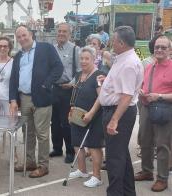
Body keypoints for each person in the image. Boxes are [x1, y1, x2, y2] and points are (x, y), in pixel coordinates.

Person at [10, 25, 63, 178]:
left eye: (24, 35)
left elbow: (58, 68)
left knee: (42, 134)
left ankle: (43, 165)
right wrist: (13, 99)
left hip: (42, 97)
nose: (22, 39)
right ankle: (30, 161)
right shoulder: (18, 55)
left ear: (31, 34)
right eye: (19, 36)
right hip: (24, 98)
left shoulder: (46, 48)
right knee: (27, 133)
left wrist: (47, 83)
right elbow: (14, 78)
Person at [98, 26, 143, 196]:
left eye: (113, 40)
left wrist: (114, 119)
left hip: (119, 113)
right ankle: (128, 192)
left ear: (121, 43)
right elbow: (122, 86)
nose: (111, 42)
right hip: (117, 110)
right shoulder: (122, 58)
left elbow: (126, 96)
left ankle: (115, 193)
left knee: (114, 160)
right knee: (121, 156)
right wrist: (108, 80)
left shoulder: (129, 63)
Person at [134, 36, 172, 192]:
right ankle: (147, 171)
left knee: (162, 145)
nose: (159, 50)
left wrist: (159, 96)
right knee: (145, 141)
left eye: (163, 47)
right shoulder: (150, 66)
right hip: (146, 107)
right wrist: (142, 91)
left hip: (164, 109)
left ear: (170, 50)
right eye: (157, 47)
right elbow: (143, 84)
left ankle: (162, 179)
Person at [68, 46, 104, 188]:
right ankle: (82, 170)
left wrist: (91, 113)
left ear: (94, 60)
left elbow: (102, 97)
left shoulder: (99, 75)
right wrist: (70, 110)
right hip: (77, 115)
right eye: (81, 58)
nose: (83, 61)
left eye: (87, 59)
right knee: (77, 143)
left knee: (94, 146)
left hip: (94, 116)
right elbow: (74, 94)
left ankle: (97, 176)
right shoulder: (78, 75)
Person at [50, 23, 80, 163]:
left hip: (68, 90)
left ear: (69, 34)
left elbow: (80, 70)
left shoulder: (75, 50)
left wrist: (72, 83)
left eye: (64, 31)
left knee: (66, 122)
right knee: (54, 121)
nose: (61, 33)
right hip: (54, 89)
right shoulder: (52, 49)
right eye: (59, 31)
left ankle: (70, 151)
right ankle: (57, 148)